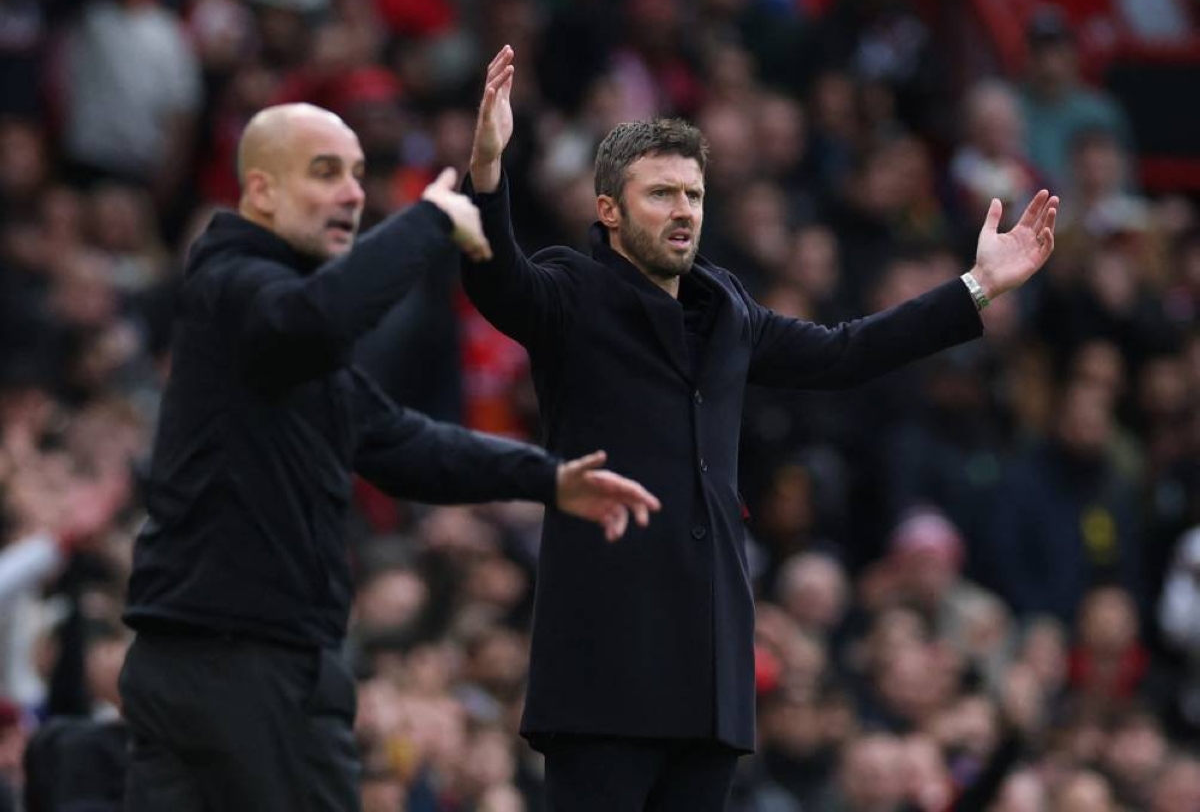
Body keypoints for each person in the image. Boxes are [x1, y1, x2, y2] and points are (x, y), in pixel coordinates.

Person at [461, 46, 1058, 810]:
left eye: (694, 195)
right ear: (608, 210)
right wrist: (486, 172)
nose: (683, 211)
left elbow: (845, 351)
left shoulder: (729, 309)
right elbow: (495, 281)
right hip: (603, 668)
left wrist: (977, 287)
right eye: (660, 195)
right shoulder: (571, 292)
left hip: (708, 679)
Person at [117, 102, 661, 811]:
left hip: (192, 660)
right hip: (252, 664)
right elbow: (319, 319)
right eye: (324, 173)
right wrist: (431, 218)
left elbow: (399, 440)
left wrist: (547, 477)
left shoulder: (272, 324)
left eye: (357, 175)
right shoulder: (241, 288)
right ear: (260, 191)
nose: (352, 192)